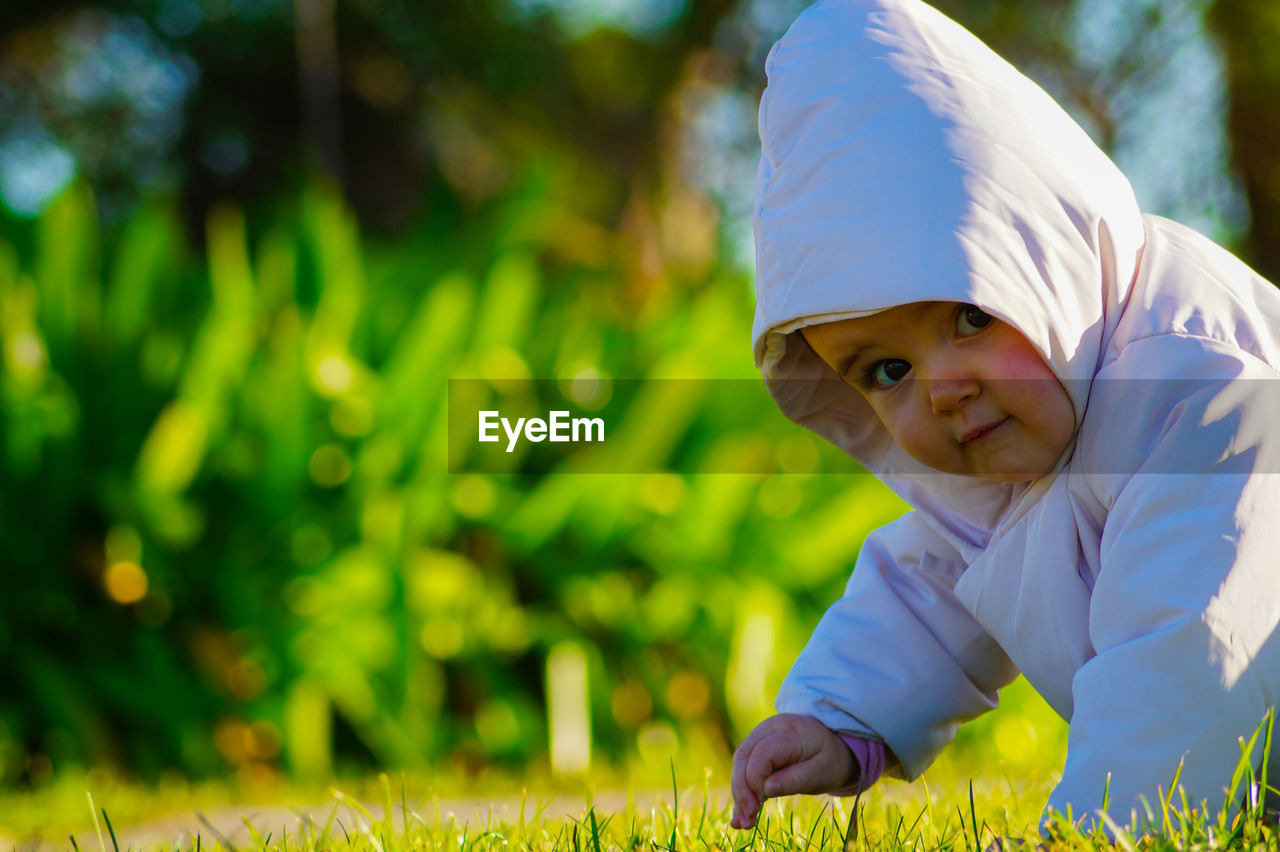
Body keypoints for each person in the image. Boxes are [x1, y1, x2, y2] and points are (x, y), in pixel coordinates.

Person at [730, 0, 1280, 836]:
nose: (943, 387)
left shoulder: (1200, 389)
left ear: (1045, 255)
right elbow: (931, 585)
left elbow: (1191, 648)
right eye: (888, 370)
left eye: (969, 317)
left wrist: (1105, 827)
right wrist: (837, 716)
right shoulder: (1012, 448)